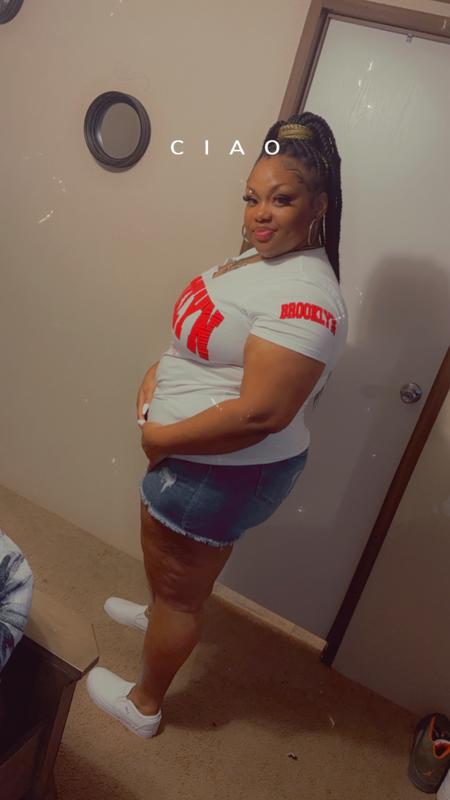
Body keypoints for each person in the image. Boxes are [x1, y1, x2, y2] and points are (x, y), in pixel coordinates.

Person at [86, 111, 349, 738]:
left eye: (281, 199)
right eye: (252, 198)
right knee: (175, 576)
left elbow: (261, 413)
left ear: (318, 205)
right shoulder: (262, 260)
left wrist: (158, 436)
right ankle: (158, 611)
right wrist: (162, 367)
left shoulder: (308, 296)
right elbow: (217, 338)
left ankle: (144, 705)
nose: (260, 214)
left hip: (215, 471)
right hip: (205, 464)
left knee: (182, 593)